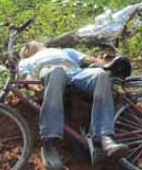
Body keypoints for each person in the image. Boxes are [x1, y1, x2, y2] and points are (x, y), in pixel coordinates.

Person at [18, 42, 128, 170]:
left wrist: (110, 64)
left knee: (100, 74)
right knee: (56, 71)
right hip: (52, 73)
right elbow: (25, 76)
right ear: (26, 53)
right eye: (26, 47)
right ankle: (50, 144)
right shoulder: (26, 61)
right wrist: (33, 85)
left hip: (75, 73)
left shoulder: (66, 50)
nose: (29, 45)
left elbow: (89, 59)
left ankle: (104, 137)